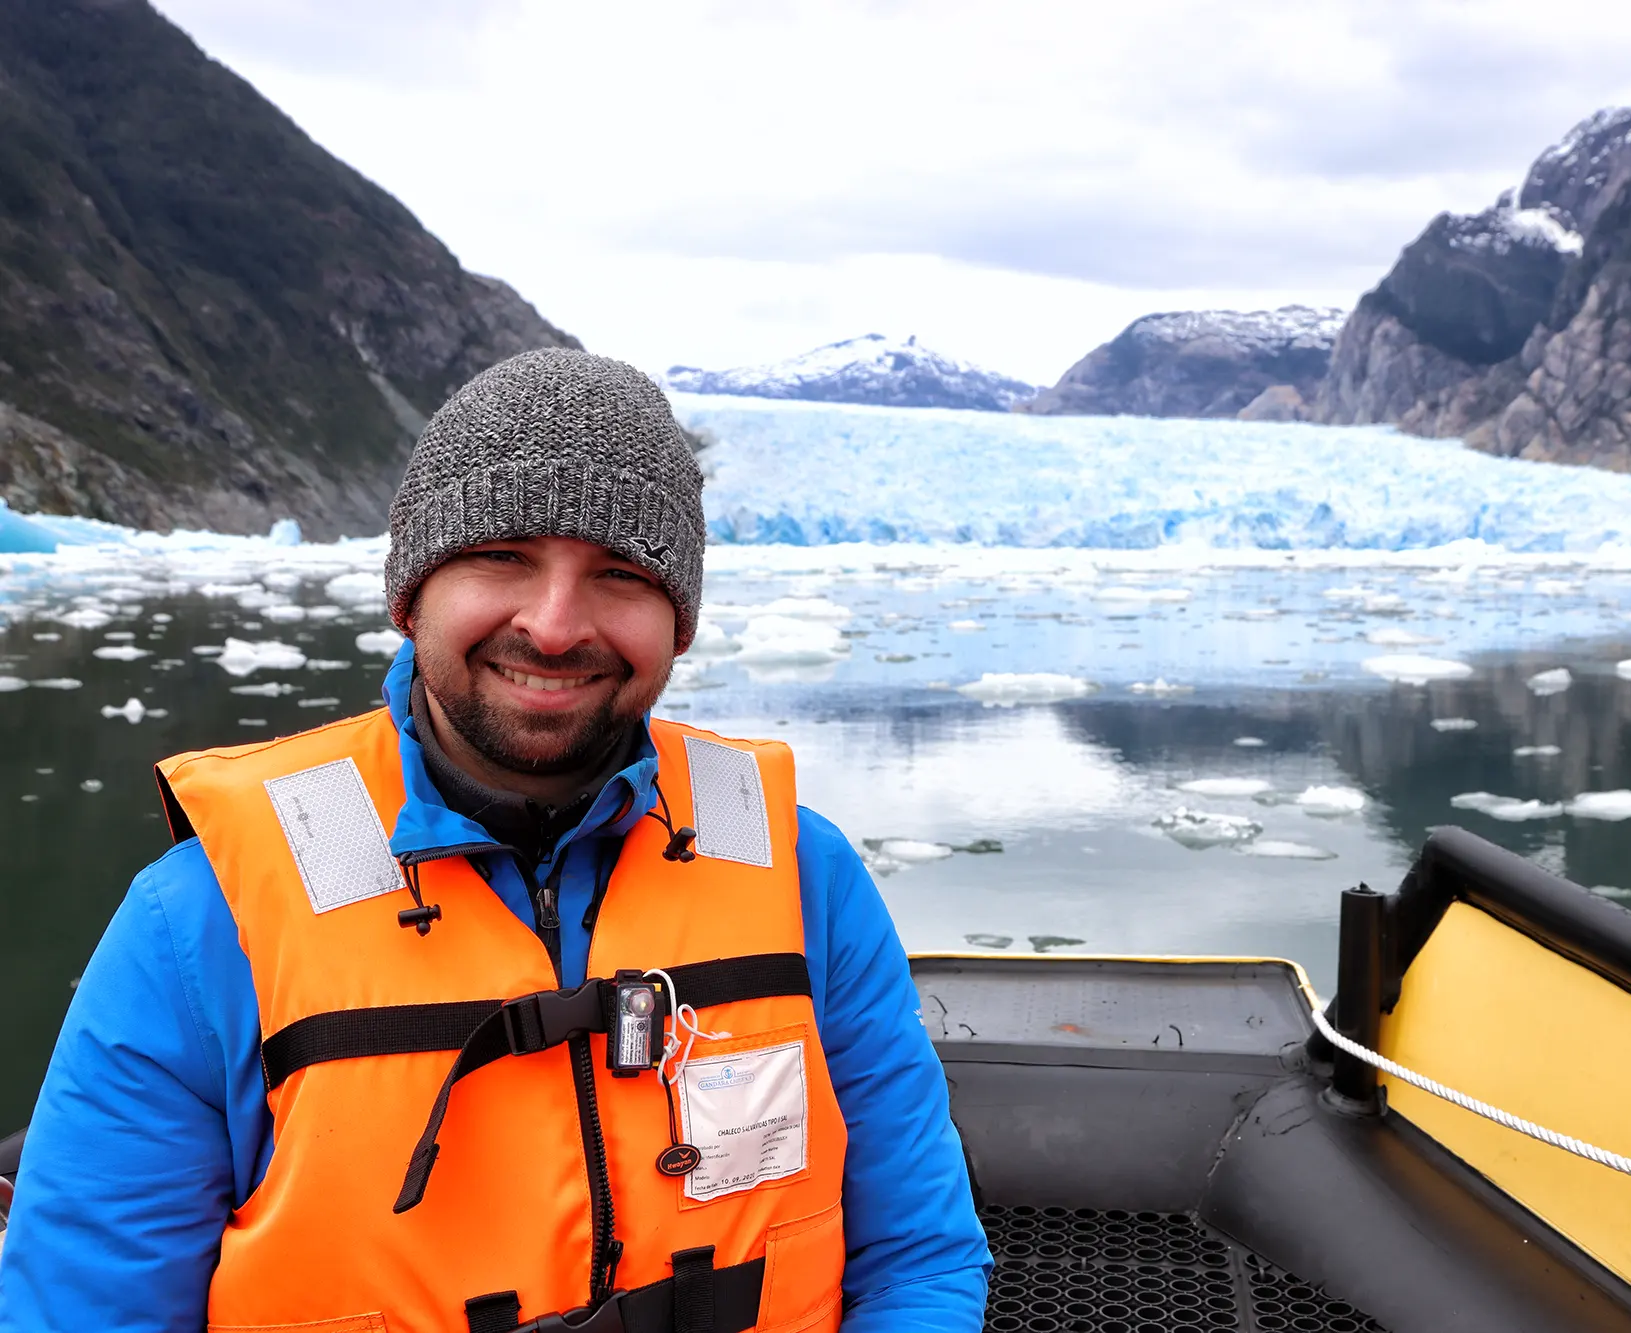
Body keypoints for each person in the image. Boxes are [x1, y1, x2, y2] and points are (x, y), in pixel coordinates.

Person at [0, 350, 991, 1333]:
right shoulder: (204, 916)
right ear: (410, 593)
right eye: (500, 556)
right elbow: (87, 1307)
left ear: (677, 622)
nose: (556, 626)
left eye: (620, 573)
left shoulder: (804, 878)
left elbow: (918, 1262)